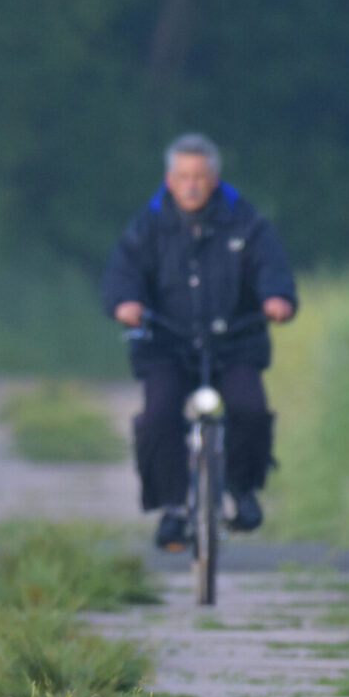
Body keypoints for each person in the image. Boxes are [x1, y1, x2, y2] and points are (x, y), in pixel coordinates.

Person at [101, 133, 297, 550]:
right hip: (166, 343)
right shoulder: (147, 225)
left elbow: (272, 268)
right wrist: (126, 302)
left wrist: (277, 299)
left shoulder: (246, 222)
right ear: (169, 180)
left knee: (250, 410)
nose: (191, 185)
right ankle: (172, 508)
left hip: (235, 341)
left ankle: (243, 491)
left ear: (215, 179)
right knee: (157, 417)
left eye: (200, 177)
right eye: (183, 176)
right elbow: (123, 272)